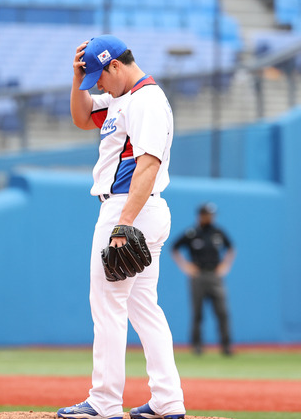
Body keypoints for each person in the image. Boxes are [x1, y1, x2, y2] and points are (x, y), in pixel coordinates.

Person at [56, 35, 185, 419]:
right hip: (139, 211)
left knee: (107, 304)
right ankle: (167, 400)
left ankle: (104, 400)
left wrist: (123, 223)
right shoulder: (120, 98)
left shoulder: (145, 99)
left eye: (99, 75)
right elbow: (82, 119)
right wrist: (76, 75)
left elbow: (149, 163)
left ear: (116, 65)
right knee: (144, 306)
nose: (96, 84)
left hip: (128, 209)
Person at [172, 202, 236, 356]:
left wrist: (225, 266)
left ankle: (226, 346)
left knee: (222, 312)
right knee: (197, 312)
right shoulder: (192, 233)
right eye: (207, 215)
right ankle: (197, 346)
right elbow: (174, 248)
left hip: (214, 275)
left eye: (212, 215)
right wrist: (186, 267)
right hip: (198, 276)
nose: (210, 218)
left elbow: (231, 247)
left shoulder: (218, 232)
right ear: (201, 215)